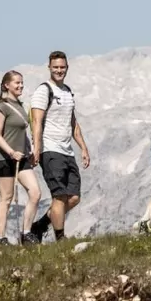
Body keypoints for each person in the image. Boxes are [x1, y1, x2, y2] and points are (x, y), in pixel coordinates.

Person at [28, 50, 90, 243]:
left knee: (74, 197)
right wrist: (37, 148)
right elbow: (36, 121)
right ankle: (60, 239)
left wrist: (83, 148)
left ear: (67, 68)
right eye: (55, 67)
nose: (59, 70)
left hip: (67, 151)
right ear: (49, 68)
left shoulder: (68, 92)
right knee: (60, 196)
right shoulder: (44, 90)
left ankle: (39, 226)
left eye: (62, 67)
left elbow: (73, 123)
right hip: (50, 149)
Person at [0, 71, 40, 245]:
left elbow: (22, 133)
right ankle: (0, 237)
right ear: (7, 85)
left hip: (22, 158)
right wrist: (11, 152)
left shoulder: (19, 106)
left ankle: (26, 233)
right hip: (5, 158)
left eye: (22, 83)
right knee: (6, 198)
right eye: (17, 83)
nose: (20, 86)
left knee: (35, 193)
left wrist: (30, 150)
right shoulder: (2, 107)